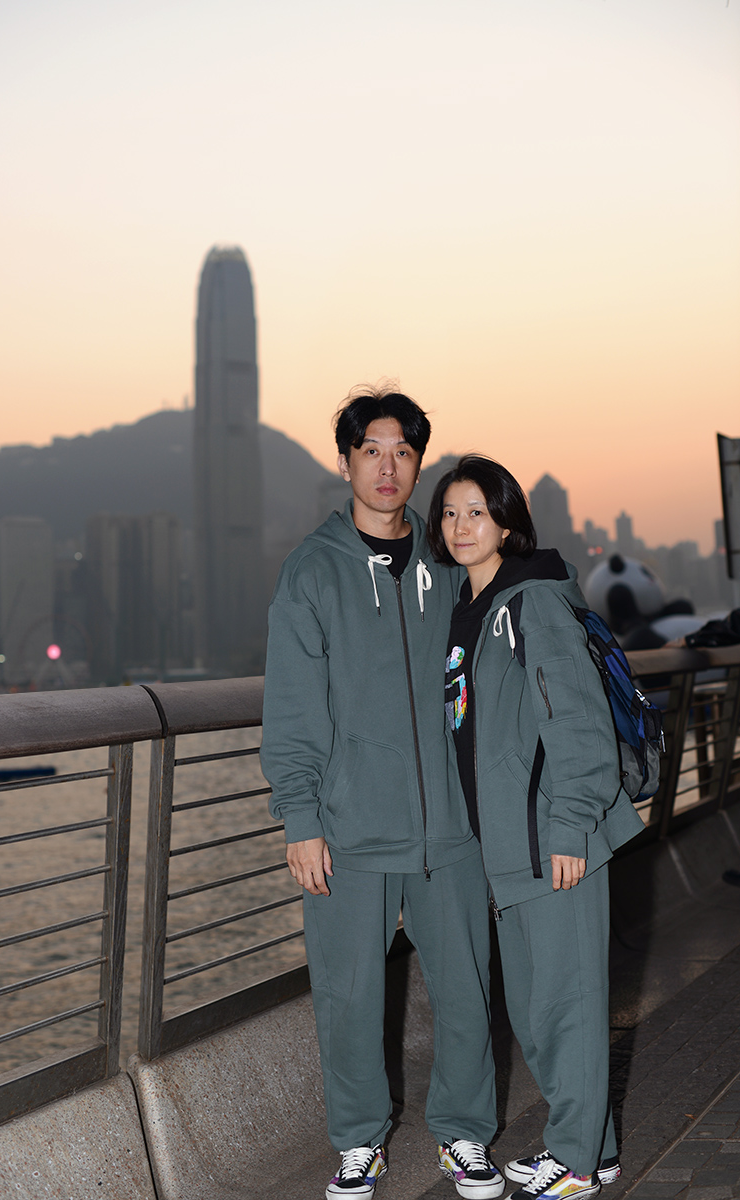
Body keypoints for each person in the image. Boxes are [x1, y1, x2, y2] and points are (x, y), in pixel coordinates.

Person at [261, 389, 503, 1200]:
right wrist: (300, 817)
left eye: (402, 450)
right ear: (345, 462)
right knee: (348, 999)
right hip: (348, 831)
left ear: (419, 462)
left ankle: (464, 1134)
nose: (387, 466)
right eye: (371, 449)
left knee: (466, 991)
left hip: (451, 830)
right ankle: (358, 1142)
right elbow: (291, 708)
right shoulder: (312, 572)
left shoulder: (450, 561)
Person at [426, 455, 644, 1200]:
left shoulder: (532, 602)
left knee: (565, 1005)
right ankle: (593, 1150)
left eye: (477, 512)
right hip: (508, 849)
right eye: (449, 512)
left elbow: (577, 721)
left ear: (507, 522)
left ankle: (576, 1165)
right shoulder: (469, 608)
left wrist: (570, 826)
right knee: (536, 1007)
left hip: (553, 840)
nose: (461, 526)